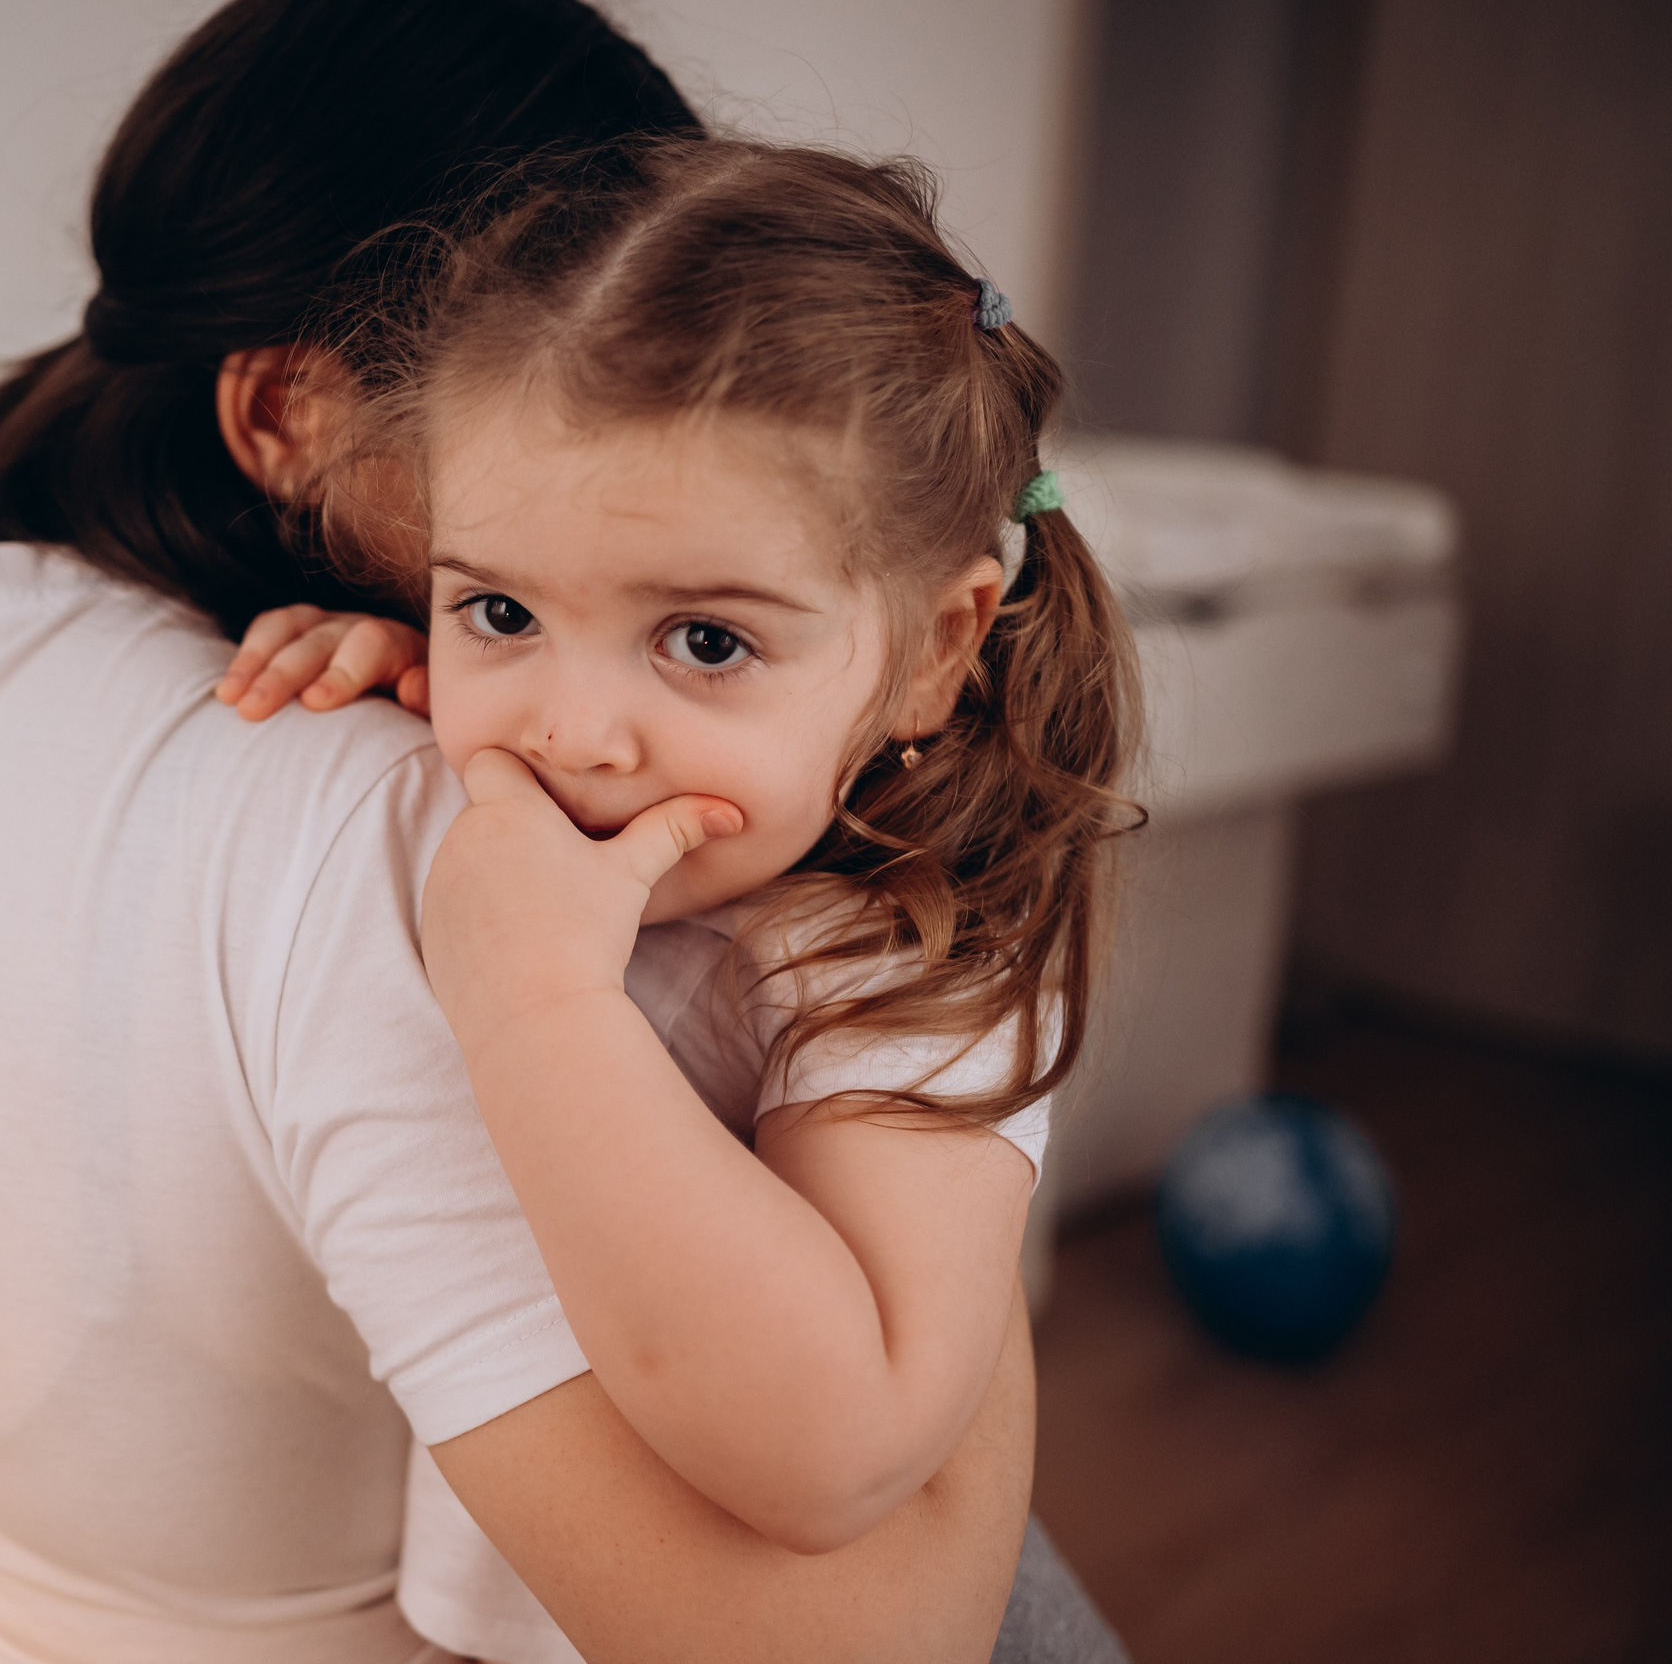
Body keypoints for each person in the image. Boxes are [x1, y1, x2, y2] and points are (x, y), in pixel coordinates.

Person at [0, 0, 1126, 1660]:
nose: (568, 728)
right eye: (542, 388)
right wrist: (950, 960)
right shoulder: (406, 845)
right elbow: (853, 1635)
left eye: (697, 625)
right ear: (292, 413)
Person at [217, 136, 1138, 1662]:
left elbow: (839, 1449)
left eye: (704, 644)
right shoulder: (556, 775)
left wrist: (539, 1007)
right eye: (501, 607)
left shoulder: (899, 968)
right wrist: (410, 676)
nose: (574, 733)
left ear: (932, 646)